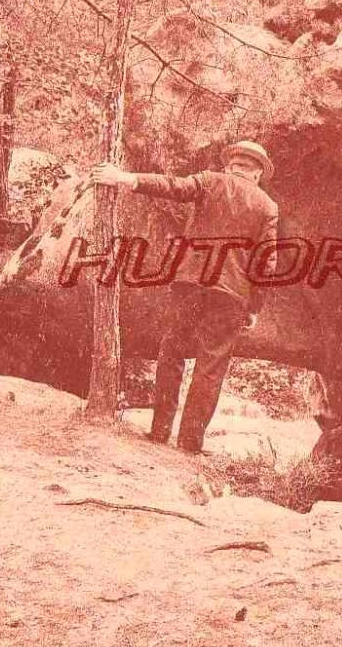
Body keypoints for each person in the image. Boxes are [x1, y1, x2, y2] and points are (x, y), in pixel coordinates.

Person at [87, 141, 278, 454]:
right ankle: (190, 444)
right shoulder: (268, 206)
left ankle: (159, 431)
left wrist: (125, 178)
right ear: (257, 172)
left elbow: (173, 186)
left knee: (172, 350)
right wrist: (254, 307)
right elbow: (266, 263)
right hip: (231, 294)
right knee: (211, 365)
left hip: (189, 282)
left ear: (231, 164)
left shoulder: (210, 180)